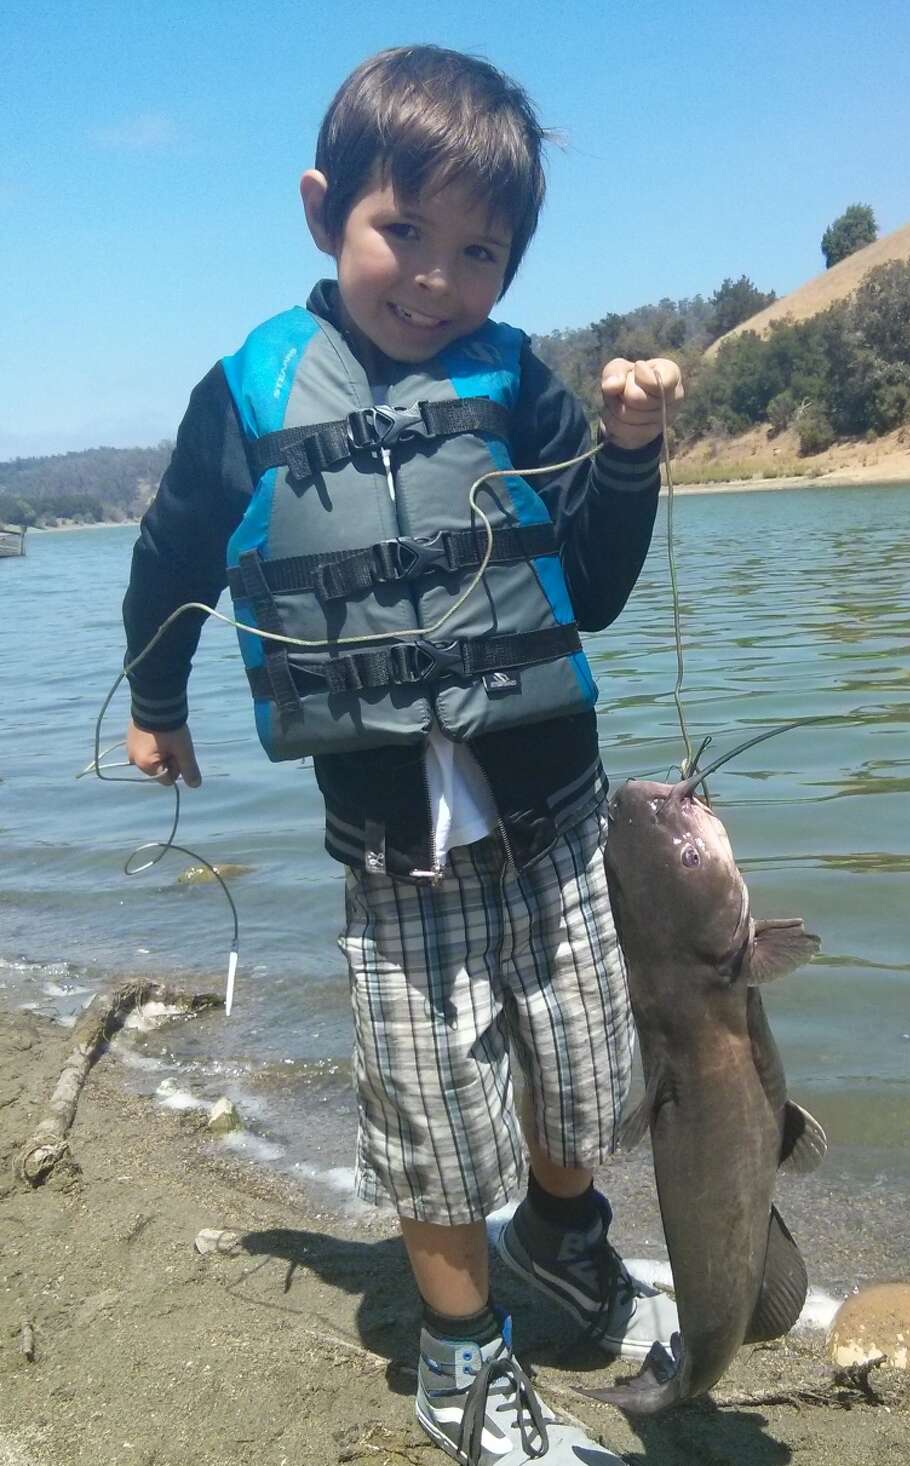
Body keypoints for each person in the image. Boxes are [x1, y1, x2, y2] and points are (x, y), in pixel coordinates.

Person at [122, 44, 684, 1466]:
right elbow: (174, 548)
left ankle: (564, 1238)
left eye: (476, 251)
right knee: (437, 1120)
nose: (435, 278)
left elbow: (599, 586)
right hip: (395, 848)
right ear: (326, 212)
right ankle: (461, 1366)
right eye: (403, 233)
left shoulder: (522, 384)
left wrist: (628, 453)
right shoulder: (248, 392)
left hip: (555, 817)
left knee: (588, 1079)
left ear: (513, 262)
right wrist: (156, 700)